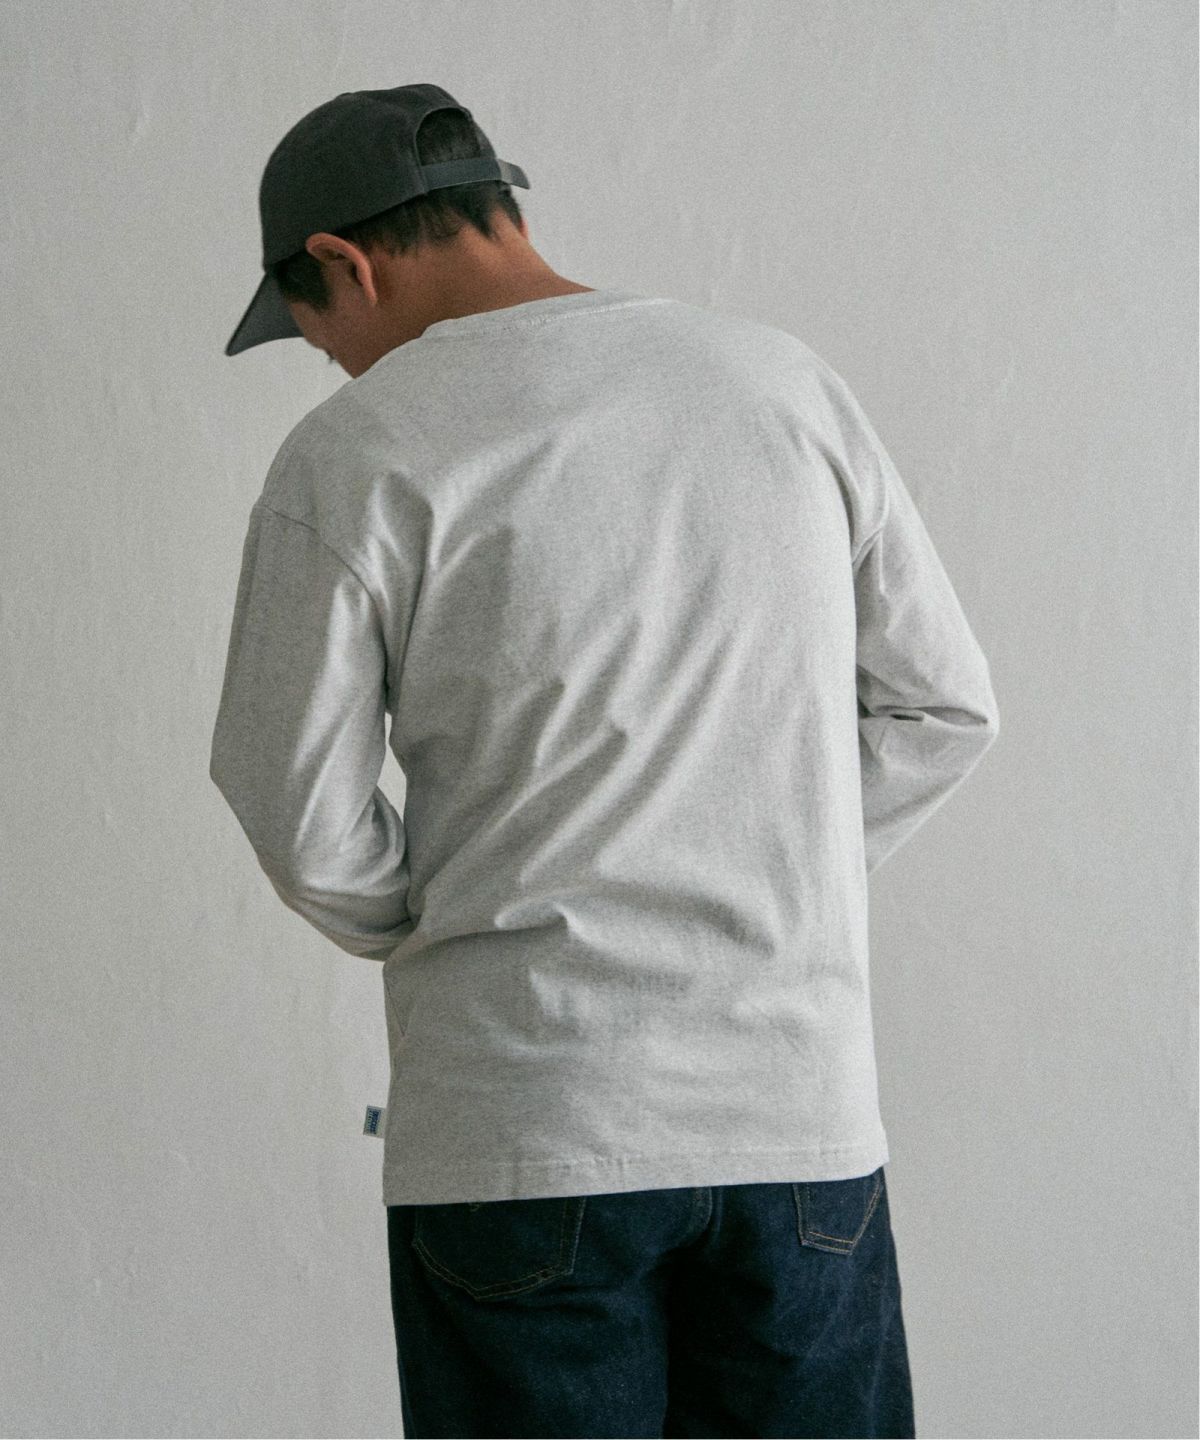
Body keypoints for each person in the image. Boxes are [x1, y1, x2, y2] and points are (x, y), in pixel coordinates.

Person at [210, 82, 1000, 1439]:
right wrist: (758, 853)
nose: (331, 363)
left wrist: (465, 904)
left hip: (523, 1127)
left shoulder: (357, 449)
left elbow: (294, 808)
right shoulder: (778, 383)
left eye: (313, 327)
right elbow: (943, 708)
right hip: (793, 1121)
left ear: (343, 262)